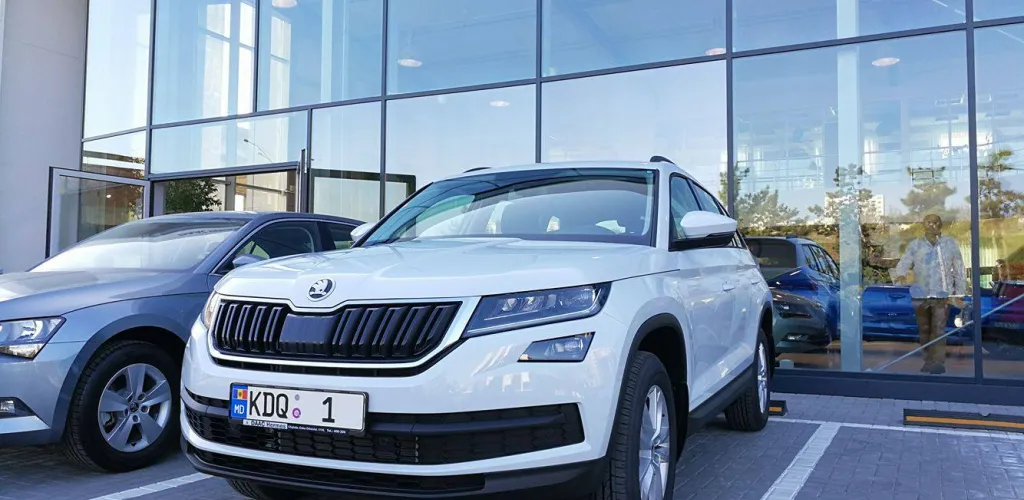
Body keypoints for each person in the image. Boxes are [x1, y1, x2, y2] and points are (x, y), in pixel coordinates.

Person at [871, 214, 967, 374]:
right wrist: (900, 276)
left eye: (936, 222)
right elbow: (904, 263)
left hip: (942, 294)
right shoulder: (915, 245)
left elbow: (959, 269)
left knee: (939, 328)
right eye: (929, 222)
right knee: (924, 329)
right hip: (920, 295)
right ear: (924, 225)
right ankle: (928, 360)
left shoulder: (950, 244)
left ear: (941, 225)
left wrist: (959, 293)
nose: (933, 225)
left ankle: (938, 362)